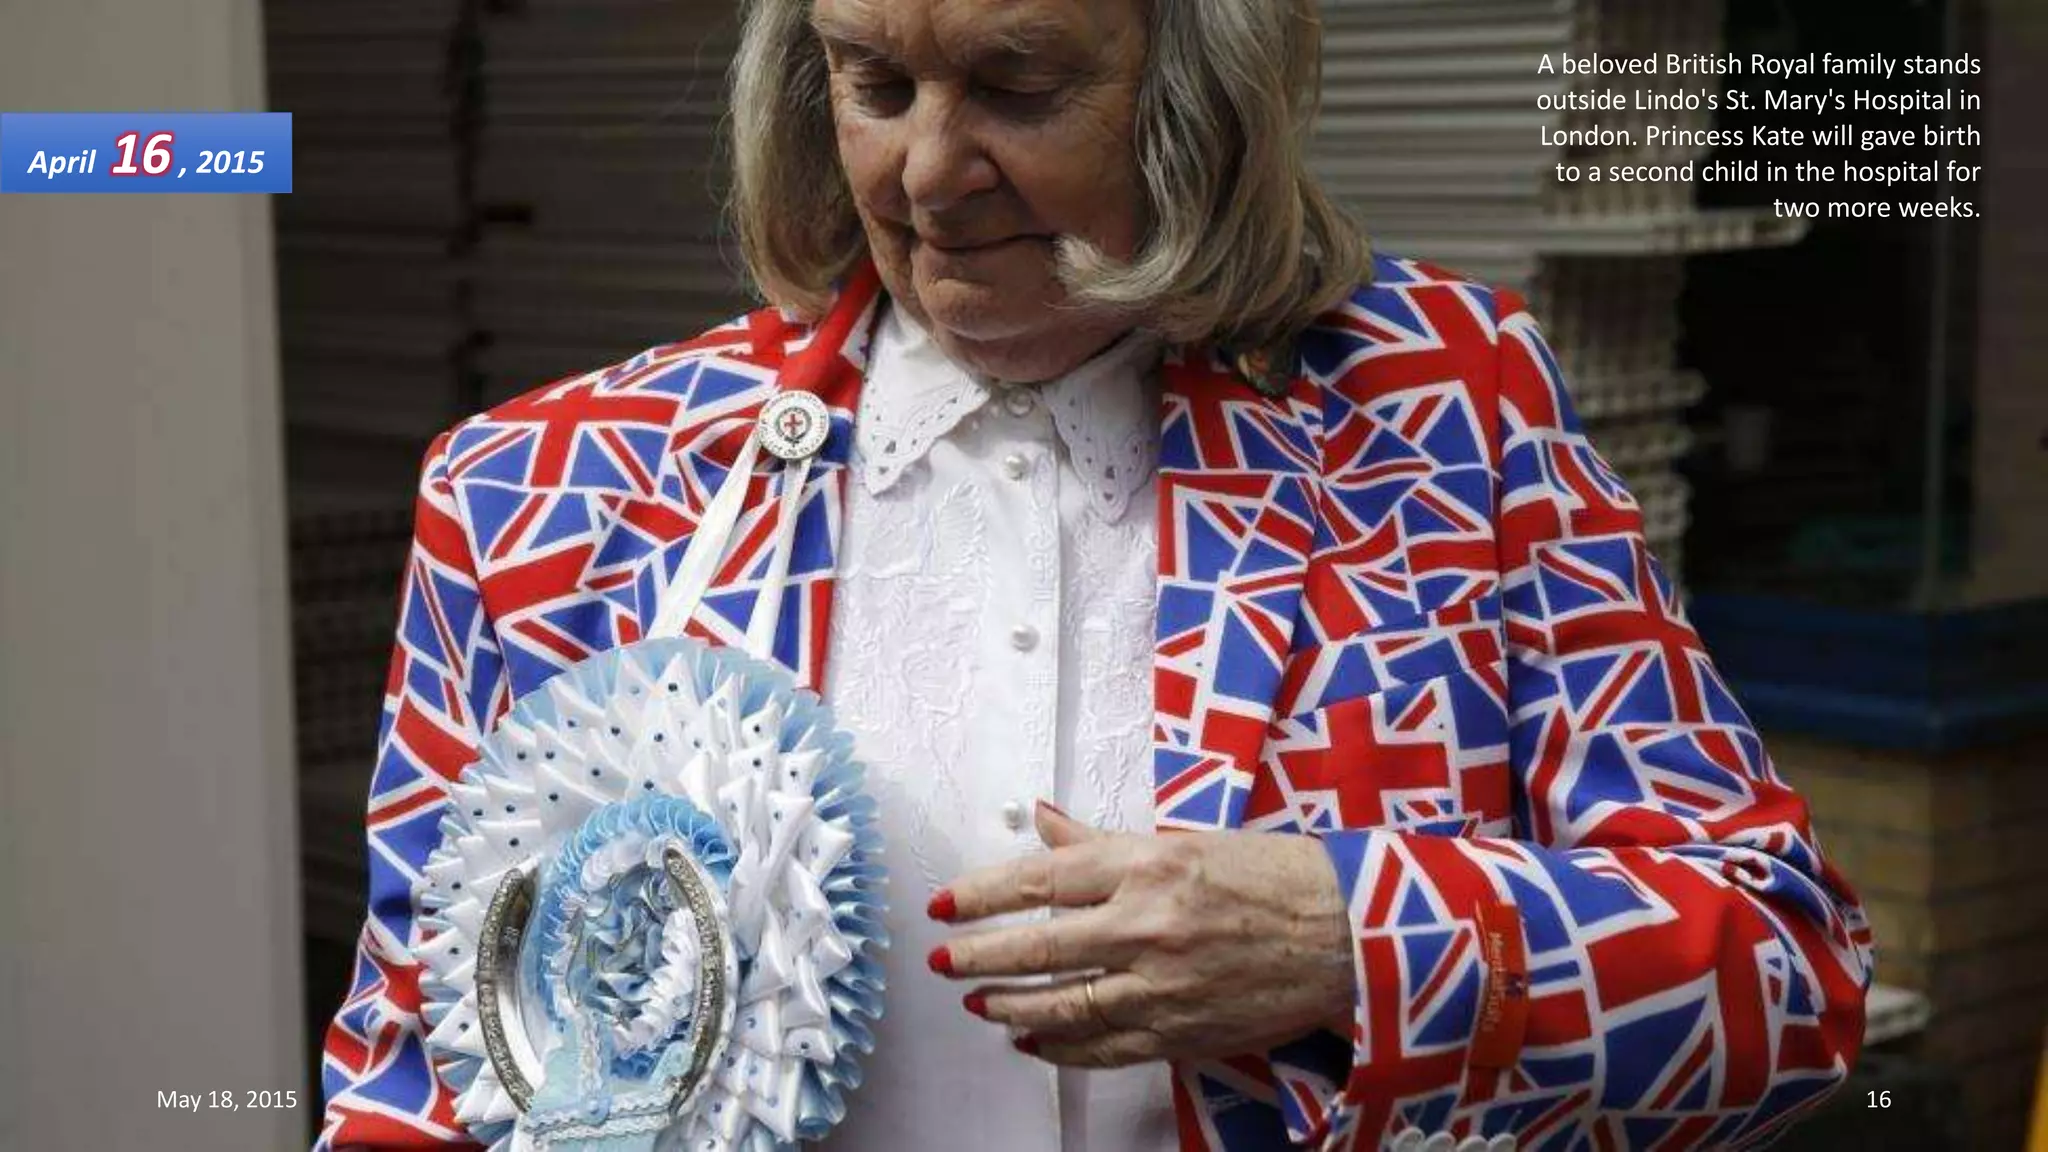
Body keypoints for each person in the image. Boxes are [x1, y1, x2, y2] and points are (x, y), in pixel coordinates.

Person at [316, 0, 1873, 1147]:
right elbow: (418, 1085)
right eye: (873, 83)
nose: (930, 173)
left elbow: (1789, 975)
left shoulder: (1446, 415)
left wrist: (1350, 937)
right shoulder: (549, 503)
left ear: (1201, 89)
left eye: (1018, 85)